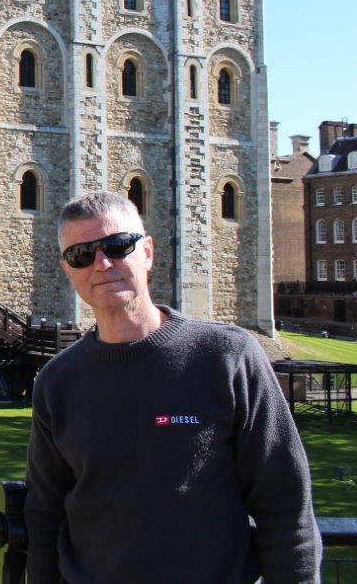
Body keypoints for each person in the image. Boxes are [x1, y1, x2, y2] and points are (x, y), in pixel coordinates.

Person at [25, 191, 320, 583]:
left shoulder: (227, 356)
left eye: (117, 245)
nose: (102, 263)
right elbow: (45, 515)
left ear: (147, 251)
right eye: (82, 254)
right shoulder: (57, 381)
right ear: (67, 269)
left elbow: (284, 501)